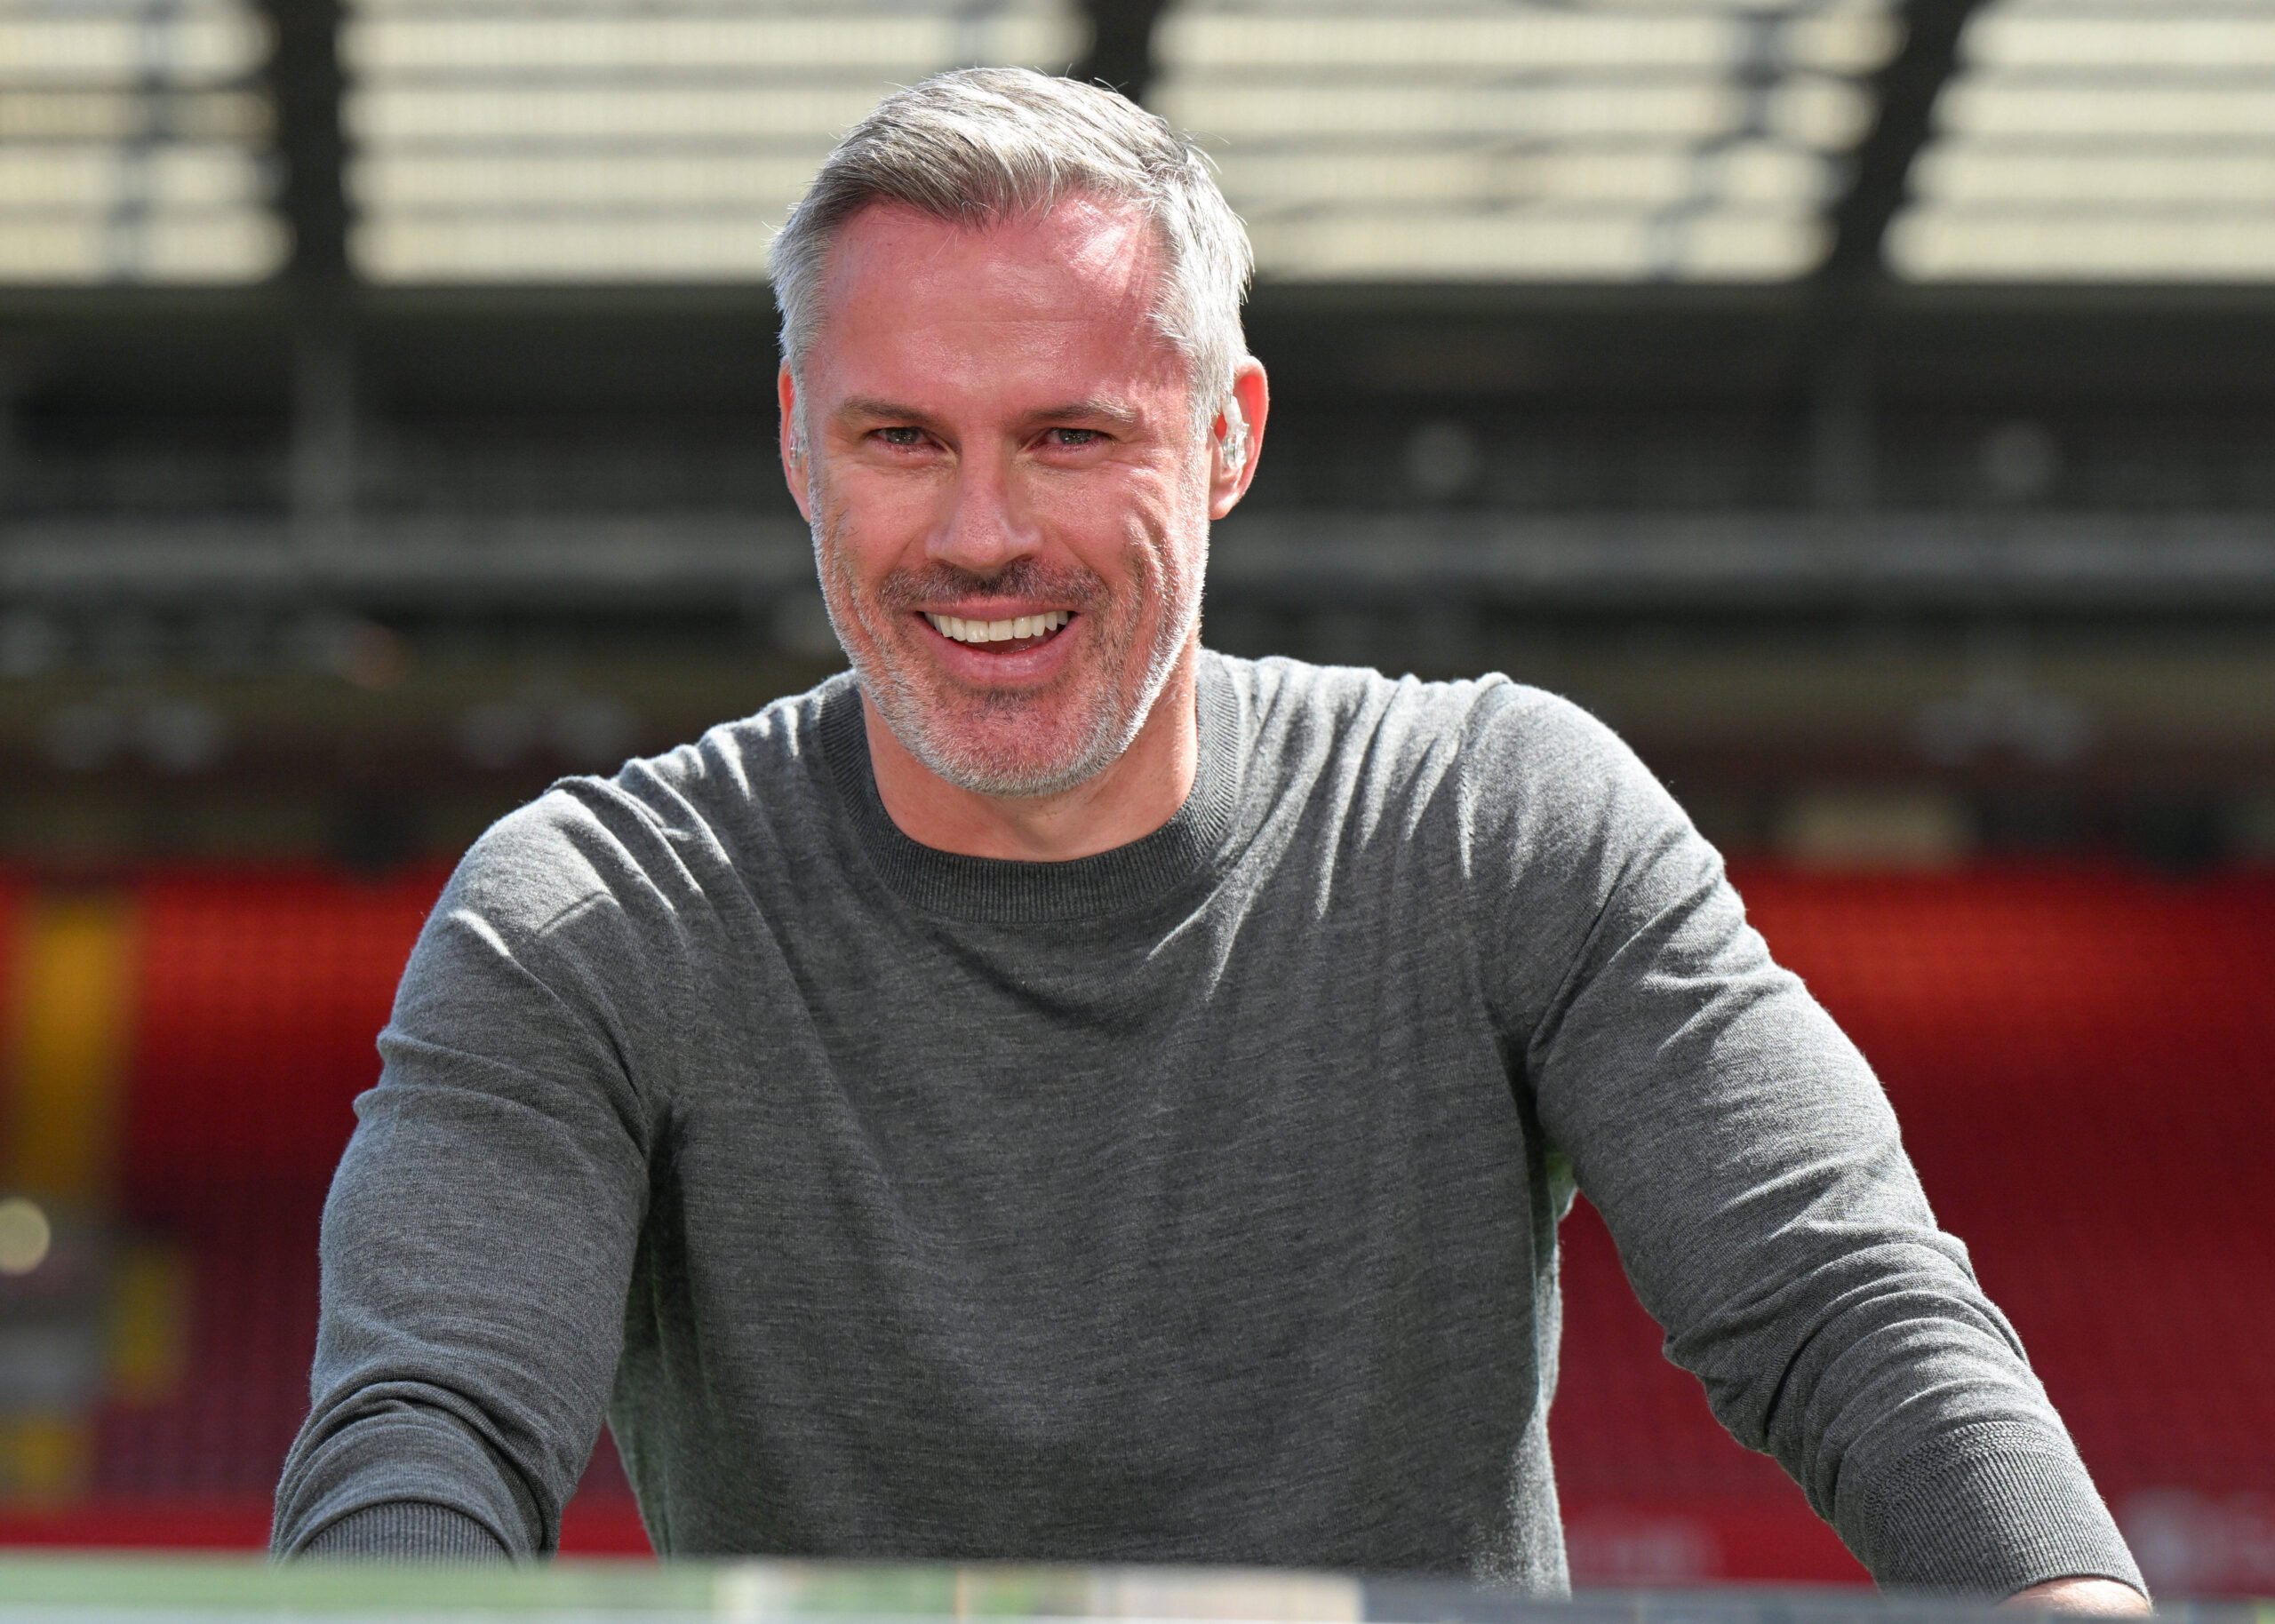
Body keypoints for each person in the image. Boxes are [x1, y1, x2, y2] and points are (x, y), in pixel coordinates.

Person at [273, 68, 2146, 1609]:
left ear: (1226, 433)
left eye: (1073, 436)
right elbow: (427, 1421)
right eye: (900, 438)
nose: (981, 531)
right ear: (795, 446)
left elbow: (1835, 1302)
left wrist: (2056, 1594)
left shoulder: (1494, 821)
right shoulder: (592, 914)